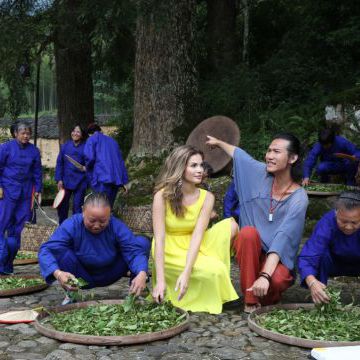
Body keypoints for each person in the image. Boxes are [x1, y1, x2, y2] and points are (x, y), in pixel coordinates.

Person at [206, 133, 308, 313]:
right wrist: (219, 142)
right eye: (268, 151)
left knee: (274, 284)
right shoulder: (259, 173)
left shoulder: (299, 198)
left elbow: (282, 239)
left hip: (277, 261)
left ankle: (265, 292)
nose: (269, 156)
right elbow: (240, 155)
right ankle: (250, 301)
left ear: (292, 158)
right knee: (247, 233)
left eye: (276, 151)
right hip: (251, 253)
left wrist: (264, 276)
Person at [151, 145, 239, 314]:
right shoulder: (161, 196)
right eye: (194, 166)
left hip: (193, 242)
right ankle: (168, 288)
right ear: (180, 167)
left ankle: (197, 275)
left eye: (201, 165)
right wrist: (159, 280)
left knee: (231, 226)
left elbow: (198, 235)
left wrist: (187, 271)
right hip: (169, 246)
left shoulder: (207, 197)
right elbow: (159, 238)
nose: (200, 170)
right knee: (214, 272)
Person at [38, 193, 150, 304]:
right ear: (83, 211)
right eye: (92, 220)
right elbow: (46, 250)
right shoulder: (71, 224)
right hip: (81, 278)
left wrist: (141, 273)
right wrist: (58, 274)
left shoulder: (116, 226)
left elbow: (134, 251)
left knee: (141, 242)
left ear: (109, 214)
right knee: (62, 252)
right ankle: (72, 293)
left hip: (111, 272)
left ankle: (136, 290)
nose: (96, 225)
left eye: (102, 221)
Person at [298, 191, 360, 304]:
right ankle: (322, 298)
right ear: (336, 214)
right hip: (334, 263)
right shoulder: (327, 222)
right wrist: (312, 282)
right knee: (321, 255)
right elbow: (310, 252)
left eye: (355, 223)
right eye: (343, 221)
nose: (349, 227)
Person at [0, 122, 42, 274]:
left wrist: (38, 190)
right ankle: (1, 259)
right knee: (1, 225)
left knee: (17, 230)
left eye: (28, 133)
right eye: (23, 133)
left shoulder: (34, 151)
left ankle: (8, 265)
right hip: (6, 192)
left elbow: (37, 171)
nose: (26, 136)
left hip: (25, 194)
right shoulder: (5, 148)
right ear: (15, 134)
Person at [84, 123, 129, 208]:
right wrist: (124, 181)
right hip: (115, 179)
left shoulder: (91, 140)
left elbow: (89, 157)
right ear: (100, 130)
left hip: (102, 178)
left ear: (89, 134)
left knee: (101, 207)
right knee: (109, 207)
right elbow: (120, 161)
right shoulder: (113, 141)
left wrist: (86, 167)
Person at [55, 125, 87, 224]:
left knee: (77, 206)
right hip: (66, 180)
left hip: (81, 181)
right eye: (73, 131)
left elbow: (91, 163)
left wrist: (87, 168)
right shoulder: (65, 146)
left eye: (78, 132)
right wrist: (59, 179)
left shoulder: (86, 147)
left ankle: (76, 228)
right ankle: (62, 227)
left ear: (82, 135)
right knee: (62, 205)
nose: (75, 133)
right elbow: (59, 163)